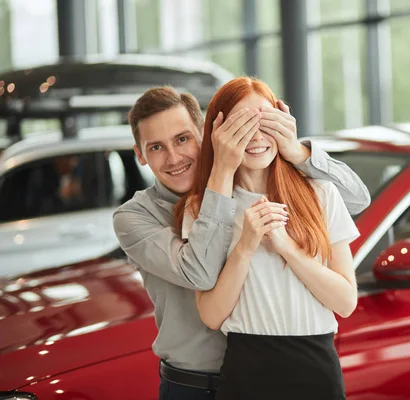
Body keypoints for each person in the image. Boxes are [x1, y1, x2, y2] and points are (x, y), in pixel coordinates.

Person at [112, 85, 370, 400]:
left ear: (204, 137)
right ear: (140, 155)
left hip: (290, 365)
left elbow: (356, 199)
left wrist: (295, 150)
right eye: (156, 147)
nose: (174, 157)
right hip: (195, 382)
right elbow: (201, 274)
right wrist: (222, 171)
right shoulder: (141, 216)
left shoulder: (308, 191)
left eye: (182, 139)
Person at [177, 77, 359, 400]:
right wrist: (245, 247)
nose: (257, 136)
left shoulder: (320, 192)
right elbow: (211, 315)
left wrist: (287, 247)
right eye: (242, 124)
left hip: (316, 368)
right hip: (246, 370)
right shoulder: (204, 208)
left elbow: (345, 302)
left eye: (266, 121)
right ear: (219, 132)